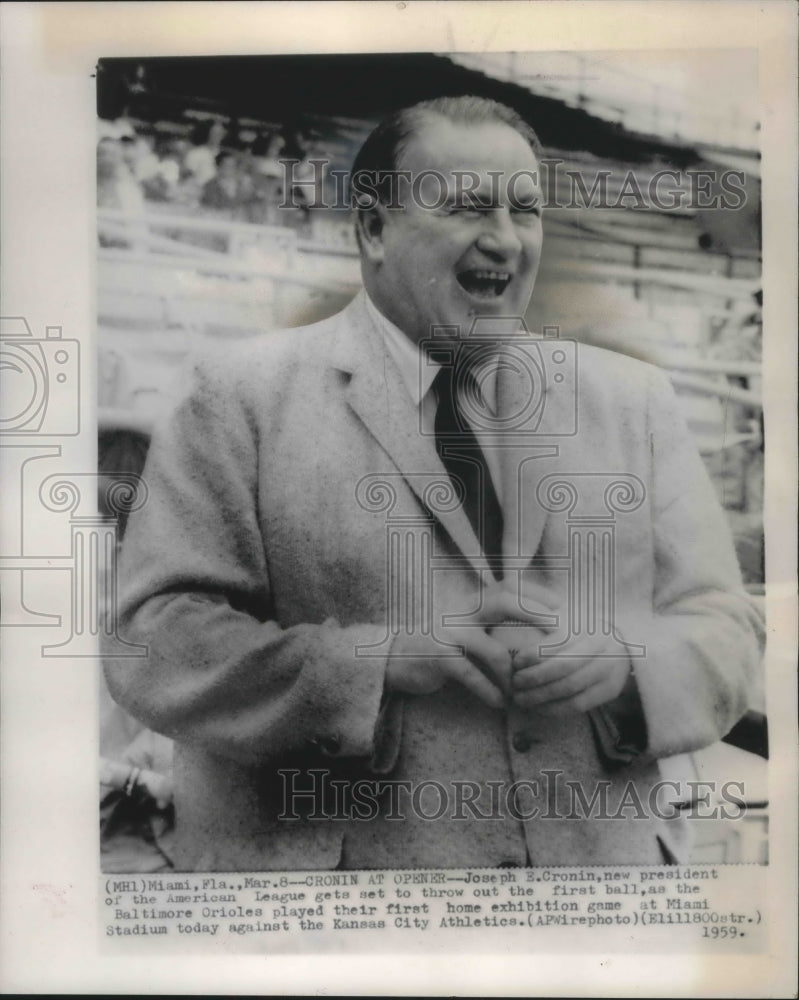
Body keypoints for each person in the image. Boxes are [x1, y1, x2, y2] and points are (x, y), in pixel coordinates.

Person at [106, 95, 763, 872]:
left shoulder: (631, 401)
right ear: (373, 229)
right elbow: (154, 640)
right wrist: (373, 661)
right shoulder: (238, 398)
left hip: (594, 892)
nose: (505, 240)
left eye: (526, 210)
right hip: (347, 907)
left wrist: (629, 663)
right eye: (466, 207)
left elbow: (723, 620)